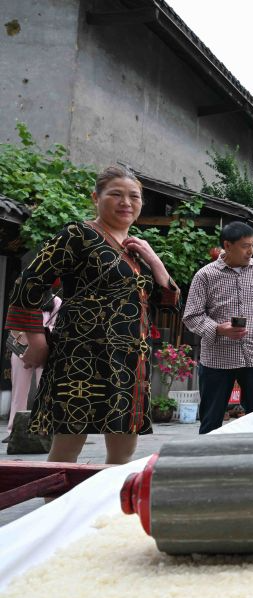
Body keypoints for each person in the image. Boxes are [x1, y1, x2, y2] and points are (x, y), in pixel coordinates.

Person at [3, 166, 179, 464]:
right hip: (80, 357)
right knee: (67, 447)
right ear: (96, 197)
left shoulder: (137, 249)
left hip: (129, 361)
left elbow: (169, 303)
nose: (126, 202)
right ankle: (59, 497)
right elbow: (28, 284)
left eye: (134, 196)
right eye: (116, 194)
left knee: (124, 450)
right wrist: (36, 340)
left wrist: (154, 261)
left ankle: (111, 497)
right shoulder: (78, 234)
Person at [184, 221, 253, 434]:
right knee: (211, 422)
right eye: (245, 246)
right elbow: (192, 315)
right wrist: (218, 329)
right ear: (227, 245)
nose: (251, 251)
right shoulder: (205, 275)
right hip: (218, 358)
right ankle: (210, 455)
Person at [2, 293, 61, 444]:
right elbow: (13, 324)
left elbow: (57, 325)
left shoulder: (55, 300)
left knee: (45, 390)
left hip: (45, 348)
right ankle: (13, 430)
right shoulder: (22, 297)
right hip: (22, 348)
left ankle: (44, 428)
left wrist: (40, 334)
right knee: (19, 391)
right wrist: (26, 338)